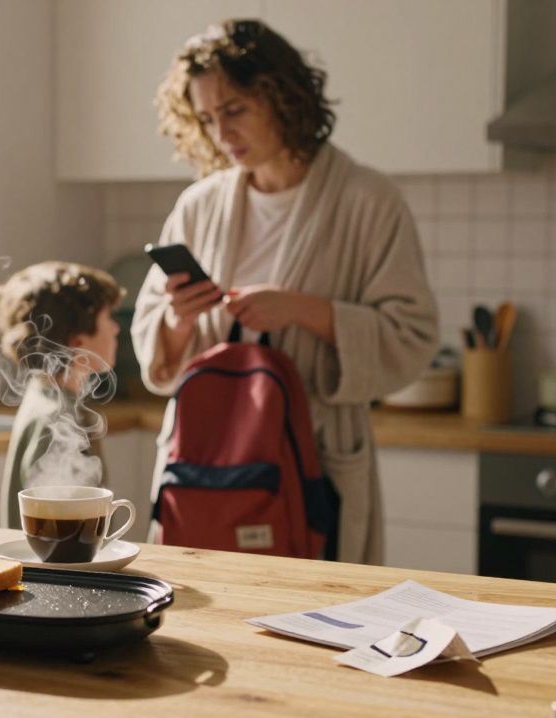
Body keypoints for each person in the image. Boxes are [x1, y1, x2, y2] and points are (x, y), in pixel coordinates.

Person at [132, 19, 439, 564]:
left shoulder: (368, 201)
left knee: (321, 622)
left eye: (235, 110)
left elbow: (412, 335)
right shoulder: (199, 206)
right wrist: (180, 319)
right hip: (205, 462)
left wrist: (305, 311)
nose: (221, 133)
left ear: (284, 97)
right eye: (206, 118)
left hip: (314, 458)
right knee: (204, 615)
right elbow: (154, 347)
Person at [0, 261, 126, 530]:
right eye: (108, 318)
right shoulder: (58, 418)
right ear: (78, 340)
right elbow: (62, 534)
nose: (116, 328)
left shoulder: (42, 396)